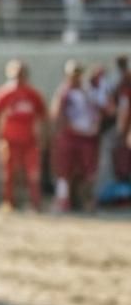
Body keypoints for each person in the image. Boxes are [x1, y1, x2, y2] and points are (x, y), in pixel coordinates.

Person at [0, 60, 48, 211]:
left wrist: (45, 138)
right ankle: (9, 202)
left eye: (21, 74)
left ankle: (35, 204)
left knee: (33, 173)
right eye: (15, 75)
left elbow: (44, 117)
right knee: (8, 173)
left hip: (30, 141)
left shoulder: (33, 94)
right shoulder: (4, 93)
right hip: (9, 140)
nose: (18, 78)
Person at [50, 59, 105, 213]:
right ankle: (63, 201)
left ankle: (87, 201)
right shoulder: (64, 93)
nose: (76, 77)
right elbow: (58, 115)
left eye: (78, 73)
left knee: (88, 171)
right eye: (73, 74)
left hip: (87, 138)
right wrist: (69, 128)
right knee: (64, 170)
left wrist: (95, 126)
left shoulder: (88, 92)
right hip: (69, 136)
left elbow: (97, 111)